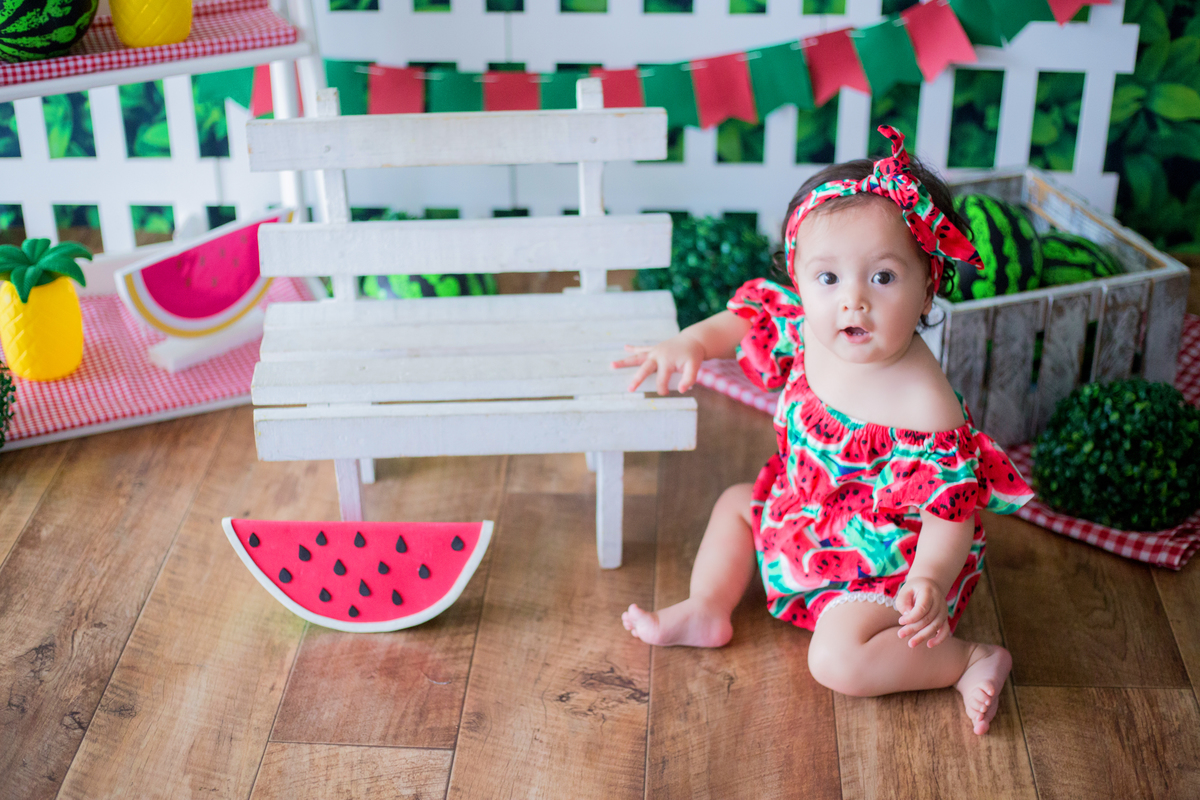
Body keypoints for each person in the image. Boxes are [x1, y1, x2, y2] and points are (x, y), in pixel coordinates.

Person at [616, 126, 1034, 736]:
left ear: (927, 290)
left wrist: (930, 580)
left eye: (884, 278)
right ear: (801, 279)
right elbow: (742, 320)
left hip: (885, 563)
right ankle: (708, 608)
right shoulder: (813, 330)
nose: (853, 302)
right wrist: (690, 343)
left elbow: (953, 517)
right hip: (802, 515)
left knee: (837, 660)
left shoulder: (926, 407)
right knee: (737, 504)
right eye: (828, 279)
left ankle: (968, 658)